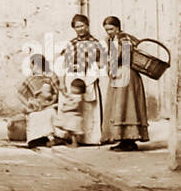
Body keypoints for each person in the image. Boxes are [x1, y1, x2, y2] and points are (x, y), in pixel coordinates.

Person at [56, 14, 106, 146]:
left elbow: (101, 63)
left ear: (87, 26)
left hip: (88, 79)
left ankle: (89, 138)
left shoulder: (96, 43)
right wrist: (61, 81)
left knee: (88, 107)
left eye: (82, 26)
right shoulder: (71, 44)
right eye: (77, 27)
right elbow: (63, 63)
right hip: (71, 78)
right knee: (70, 106)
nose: (80, 29)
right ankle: (68, 137)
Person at [101, 16, 149, 151]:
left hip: (127, 75)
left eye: (111, 29)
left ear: (117, 27)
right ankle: (122, 139)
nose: (109, 32)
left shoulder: (124, 39)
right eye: (107, 30)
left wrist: (112, 63)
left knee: (127, 105)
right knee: (118, 106)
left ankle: (131, 140)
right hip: (118, 75)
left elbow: (124, 56)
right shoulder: (112, 40)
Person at [17, 54, 60, 147]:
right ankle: (35, 139)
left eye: (32, 65)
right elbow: (19, 93)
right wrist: (27, 104)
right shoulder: (30, 78)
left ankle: (50, 138)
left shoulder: (51, 76)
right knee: (33, 116)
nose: (31, 67)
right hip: (36, 106)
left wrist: (51, 102)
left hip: (49, 105)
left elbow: (57, 92)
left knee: (50, 113)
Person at [54, 78, 87, 147]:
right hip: (69, 116)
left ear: (80, 90)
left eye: (75, 88)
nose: (72, 89)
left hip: (73, 116)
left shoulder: (78, 97)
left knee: (72, 132)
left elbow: (75, 106)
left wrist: (65, 109)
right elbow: (67, 95)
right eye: (72, 87)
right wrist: (62, 91)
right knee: (68, 130)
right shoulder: (73, 94)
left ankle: (74, 143)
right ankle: (68, 140)